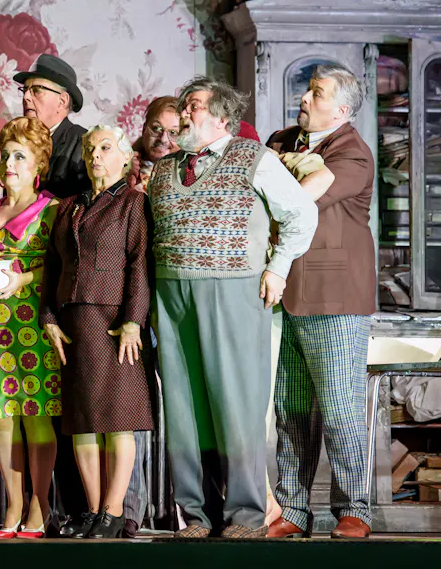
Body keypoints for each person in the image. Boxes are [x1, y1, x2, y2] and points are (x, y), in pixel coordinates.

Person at [148, 77, 318, 539]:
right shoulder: (163, 171)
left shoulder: (254, 160)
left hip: (234, 291)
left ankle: (244, 514)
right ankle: (196, 514)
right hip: (172, 295)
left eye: (194, 106)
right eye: (184, 106)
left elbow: (302, 212)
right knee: (184, 410)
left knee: (236, 403)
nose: (184, 113)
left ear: (222, 116)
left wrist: (278, 268)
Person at [265, 65, 375, 540]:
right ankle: (292, 507)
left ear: (343, 109)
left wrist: (279, 168)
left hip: (334, 298)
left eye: (318, 93)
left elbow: (300, 197)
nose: (305, 99)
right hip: (280, 294)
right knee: (290, 407)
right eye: (308, 90)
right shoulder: (282, 139)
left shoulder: (353, 151)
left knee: (340, 407)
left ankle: (355, 508)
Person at [39, 125, 154, 539]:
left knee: (118, 420)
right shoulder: (68, 206)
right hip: (72, 324)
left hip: (113, 324)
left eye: (105, 148)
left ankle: (115, 510)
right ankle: (91, 511)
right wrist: (49, 317)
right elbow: (53, 266)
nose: (95, 155)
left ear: (125, 157)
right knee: (81, 421)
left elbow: (140, 265)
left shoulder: (133, 204)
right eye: (90, 149)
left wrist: (132, 321)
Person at [0, 117, 60, 539]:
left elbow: (62, 270)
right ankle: (13, 507)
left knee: (36, 418)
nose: (9, 163)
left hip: (35, 323)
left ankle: (39, 508)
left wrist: (22, 279)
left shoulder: (52, 209)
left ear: (38, 163)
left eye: (20, 156)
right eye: (6, 155)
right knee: (3, 419)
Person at [16, 53, 90, 199]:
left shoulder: (84, 143)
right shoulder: (18, 142)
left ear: (62, 101)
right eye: (25, 90)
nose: (26, 97)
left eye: (36, 90)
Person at [129, 95, 180, 192]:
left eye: (173, 132)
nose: (163, 139)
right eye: (157, 128)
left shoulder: (191, 175)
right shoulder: (121, 166)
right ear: (144, 129)